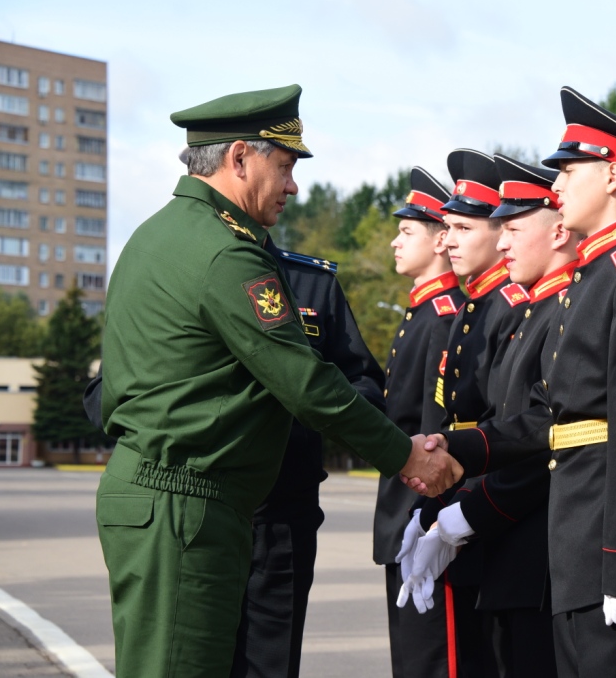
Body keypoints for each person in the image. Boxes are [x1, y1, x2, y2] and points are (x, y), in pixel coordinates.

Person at [94, 84, 458, 678]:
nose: (293, 185)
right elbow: (307, 384)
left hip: (176, 497)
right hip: (186, 503)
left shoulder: (160, 235)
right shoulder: (224, 253)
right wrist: (406, 456)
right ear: (240, 158)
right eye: (284, 166)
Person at [428, 87, 616, 678]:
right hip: (574, 542)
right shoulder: (591, 280)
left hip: (607, 547)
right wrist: (460, 446)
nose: (560, 184)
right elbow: (553, 418)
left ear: (615, 177)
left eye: (572, 170)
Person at [411, 154, 579, 677]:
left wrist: (466, 515)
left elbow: (549, 437)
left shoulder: (559, 310)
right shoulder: (533, 312)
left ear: (557, 231)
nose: (503, 241)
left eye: (512, 227)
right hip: (508, 540)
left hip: (538, 544)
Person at [399, 148, 531, 677]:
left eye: (460, 227)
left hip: (492, 519)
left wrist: (457, 517)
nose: (446, 239)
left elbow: (512, 430)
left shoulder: (508, 308)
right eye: (445, 227)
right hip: (463, 507)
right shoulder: (475, 308)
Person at [373, 166, 464, 678]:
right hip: (404, 512)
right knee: (411, 657)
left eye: (407, 232)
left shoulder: (444, 317)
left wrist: (429, 520)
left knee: (434, 659)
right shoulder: (422, 314)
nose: (393, 242)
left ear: (440, 241)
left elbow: (434, 428)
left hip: (421, 511)